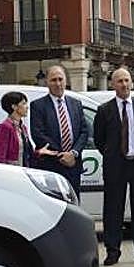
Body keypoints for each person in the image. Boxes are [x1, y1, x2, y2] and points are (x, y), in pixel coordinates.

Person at [93, 66, 134, 265]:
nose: (124, 84)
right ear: (113, 85)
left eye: (127, 80)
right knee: (113, 209)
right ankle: (113, 251)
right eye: (120, 81)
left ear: (132, 82)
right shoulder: (104, 110)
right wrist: (114, 154)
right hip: (116, 165)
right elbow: (99, 139)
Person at [29, 65, 88, 199]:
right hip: (51, 166)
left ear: (66, 80)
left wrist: (73, 153)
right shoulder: (38, 106)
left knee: (74, 204)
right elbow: (38, 134)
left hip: (73, 165)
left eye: (60, 79)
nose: (58, 83)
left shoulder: (75, 104)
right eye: (53, 80)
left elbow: (84, 131)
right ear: (47, 82)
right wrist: (62, 155)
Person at [0, 91, 35, 166]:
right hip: (13, 172)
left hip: (25, 170)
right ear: (14, 106)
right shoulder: (5, 127)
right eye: (23, 103)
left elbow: (26, 152)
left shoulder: (22, 127)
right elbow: (0, 156)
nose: (27, 107)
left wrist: (39, 152)